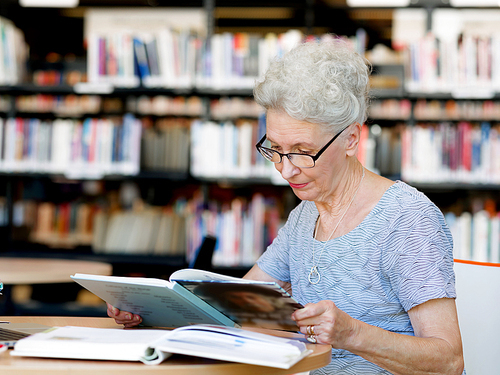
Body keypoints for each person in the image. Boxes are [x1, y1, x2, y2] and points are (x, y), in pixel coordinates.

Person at [108, 38, 465, 374]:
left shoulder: (408, 219)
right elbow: (231, 306)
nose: (285, 168)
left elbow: (449, 361)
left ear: (352, 138)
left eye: (303, 152)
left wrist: (353, 334)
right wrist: (148, 309)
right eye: (274, 148)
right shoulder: (305, 215)